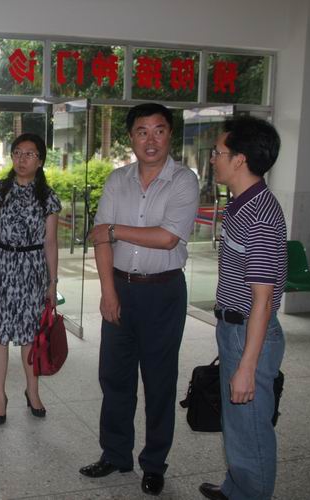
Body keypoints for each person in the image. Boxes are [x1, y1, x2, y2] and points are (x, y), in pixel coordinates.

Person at [81, 103, 199, 496]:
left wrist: (114, 229)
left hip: (163, 292)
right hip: (120, 287)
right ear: (130, 137)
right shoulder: (118, 180)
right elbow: (100, 239)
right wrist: (108, 292)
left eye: (159, 130)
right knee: (114, 377)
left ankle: (154, 463)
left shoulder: (184, 180)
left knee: (159, 380)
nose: (151, 139)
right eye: (142, 131)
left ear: (170, 135)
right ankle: (115, 454)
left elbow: (167, 237)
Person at [198, 117, 286, 500]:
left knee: (251, 430)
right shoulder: (242, 204)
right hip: (234, 328)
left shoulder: (260, 216)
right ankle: (235, 488)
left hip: (249, 332)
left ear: (239, 159)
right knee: (237, 423)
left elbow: (262, 299)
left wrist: (247, 367)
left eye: (217, 152)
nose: (212, 158)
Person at [0, 132, 61, 425]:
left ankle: (33, 392)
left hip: (32, 271)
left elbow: (51, 242)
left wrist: (52, 282)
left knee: (30, 337)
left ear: (40, 161)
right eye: (17, 152)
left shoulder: (48, 197)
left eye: (29, 154)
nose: (22, 159)